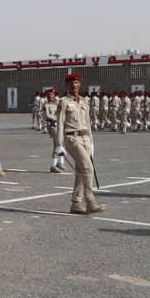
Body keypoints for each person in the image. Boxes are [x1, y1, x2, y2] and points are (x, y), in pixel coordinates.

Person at [55, 74, 103, 214]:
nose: (74, 85)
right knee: (88, 168)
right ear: (67, 86)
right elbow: (60, 124)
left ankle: (76, 203)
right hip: (72, 138)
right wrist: (59, 144)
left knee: (81, 171)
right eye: (71, 83)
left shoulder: (84, 101)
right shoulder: (64, 102)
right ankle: (90, 200)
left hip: (85, 138)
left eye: (76, 82)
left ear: (80, 84)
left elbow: (88, 123)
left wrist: (92, 142)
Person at [43, 87, 67, 173]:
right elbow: (47, 116)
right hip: (52, 126)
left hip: (59, 126)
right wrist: (56, 118)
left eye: (52, 94)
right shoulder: (46, 105)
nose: (51, 96)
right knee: (57, 144)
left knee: (61, 143)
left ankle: (60, 163)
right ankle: (53, 166)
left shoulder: (56, 104)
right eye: (49, 94)